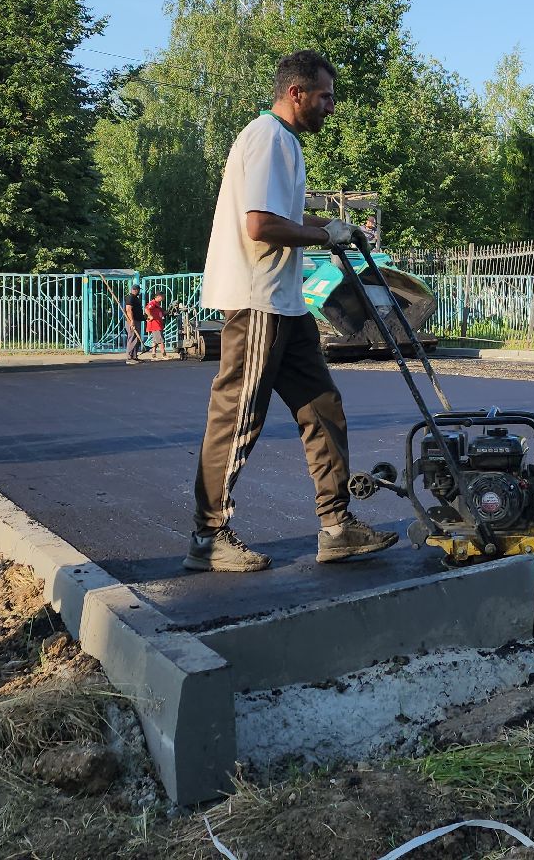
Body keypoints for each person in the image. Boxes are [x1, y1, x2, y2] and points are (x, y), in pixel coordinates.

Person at [186, 50, 399, 572]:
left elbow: (282, 213)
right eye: (325, 96)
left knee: (322, 407)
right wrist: (325, 233)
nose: (331, 106)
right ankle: (208, 537)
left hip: (285, 301)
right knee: (238, 417)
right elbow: (259, 225)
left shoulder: (284, 144)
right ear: (296, 93)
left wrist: (335, 232)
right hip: (258, 302)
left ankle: (338, 526)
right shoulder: (268, 138)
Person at [123, 284, 145, 364]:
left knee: (136, 339)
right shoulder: (130, 297)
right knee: (132, 338)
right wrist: (131, 321)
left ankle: (134, 356)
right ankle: (129, 358)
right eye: (138, 290)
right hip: (132, 321)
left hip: (136, 320)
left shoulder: (135, 298)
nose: (139, 291)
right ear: (135, 290)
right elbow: (128, 310)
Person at [145, 288, 168, 357]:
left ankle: (153, 354)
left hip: (158, 324)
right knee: (160, 339)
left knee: (155, 340)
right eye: (162, 296)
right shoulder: (152, 303)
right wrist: (150, 316)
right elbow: (146, 309)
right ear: (158, 296)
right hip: (155, 324)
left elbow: (161, 313)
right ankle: (164, 354)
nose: (163, 298)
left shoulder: (157, 304)